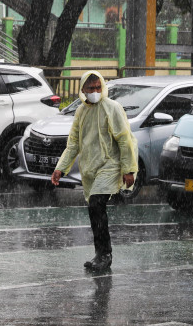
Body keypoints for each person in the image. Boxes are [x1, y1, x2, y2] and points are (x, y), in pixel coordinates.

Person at [51, 70, 138, 271]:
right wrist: (60, 168)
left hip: (111, 164)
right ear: (83, 90)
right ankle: (100, 253)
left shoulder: (112, 108)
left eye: (98, 87)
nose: (95, 92)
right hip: (90, 167)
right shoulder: (81, 112)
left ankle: (105, 254)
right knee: (94, 208)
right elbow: (73, 143)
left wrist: (129, 169)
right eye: (91, 88)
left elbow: (125, 140)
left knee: (97, 204)